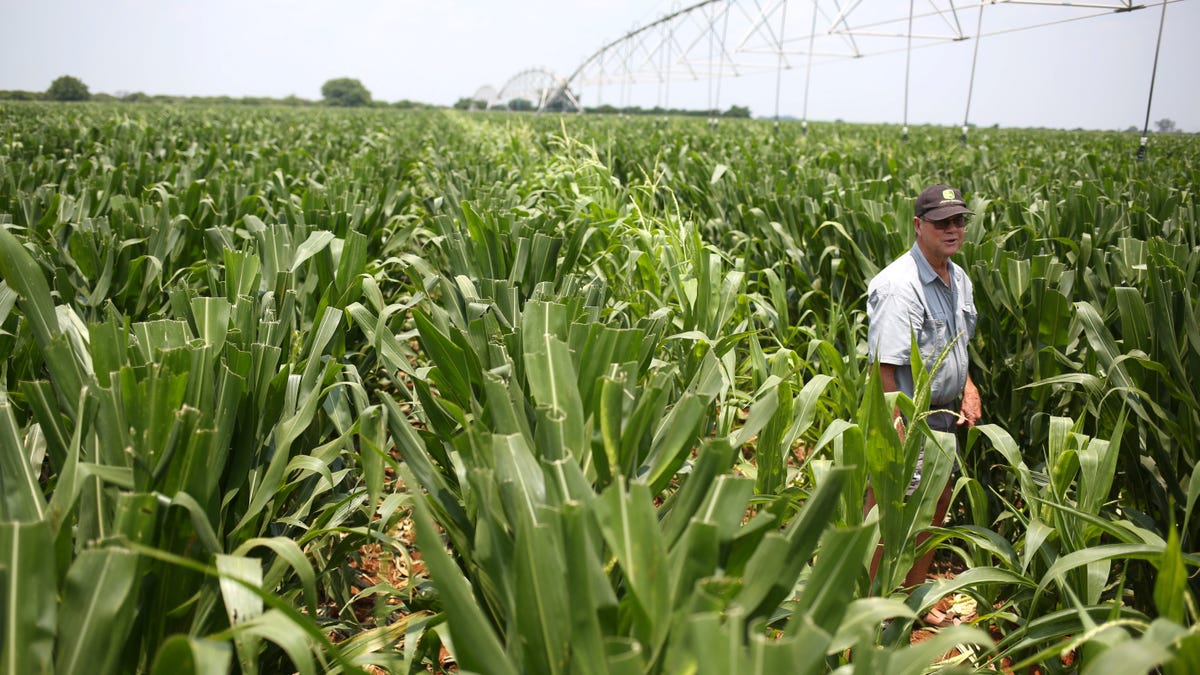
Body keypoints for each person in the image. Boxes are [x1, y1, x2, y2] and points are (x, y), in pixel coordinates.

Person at [864, 183, 983, 589]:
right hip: (912, 417)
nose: (952, 229)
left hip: (944, 420)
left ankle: (909, 597)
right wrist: (893, 427)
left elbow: (956, 343)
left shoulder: (959, 279)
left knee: (936, 503)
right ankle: (872, 601)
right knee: (891, 506)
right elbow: (884, 367)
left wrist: (967, 386)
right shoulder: (899, 286)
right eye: (941, 222)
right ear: (918, 226)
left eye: (958, 221)